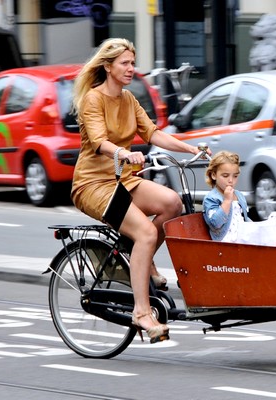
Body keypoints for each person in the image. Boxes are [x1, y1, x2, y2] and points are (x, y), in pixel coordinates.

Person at [71, 38, 206, 343]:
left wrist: (190, 148)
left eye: (133, 63)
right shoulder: (94, 100)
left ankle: (138, 258)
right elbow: (99, 141)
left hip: (125, 181)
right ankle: (142, 312)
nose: (132, 68)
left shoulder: (129, 99)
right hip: (94, 185)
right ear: (108, 67)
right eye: (125, 63)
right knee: (146, 232)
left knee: (172, 203)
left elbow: (154, 133)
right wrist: (123, 153)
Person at [202, 151, 251, 241]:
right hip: (225, 243)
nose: (231, 180)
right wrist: (227, 201)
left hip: (243, 240)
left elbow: (245, 219)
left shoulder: (239, 195)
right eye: (225, 176)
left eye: (235, 176)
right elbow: (215, 223)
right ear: (214, 175)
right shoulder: (211, 198)